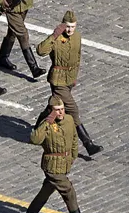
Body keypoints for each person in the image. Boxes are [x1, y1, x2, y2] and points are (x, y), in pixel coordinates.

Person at [22, 98, 96, 213]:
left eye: (62, 109)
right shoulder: (47, 124)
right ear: (51, 111)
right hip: (52, 167)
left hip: (65, 164)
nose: (61, 112)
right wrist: (47, 122)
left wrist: (72, 157)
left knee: (47, 190)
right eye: (57, 110)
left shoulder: (69, 120)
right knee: (69, 192)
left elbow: (74, 140)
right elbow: (34, 139)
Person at [35, 11, 101, 156]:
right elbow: (40, 51)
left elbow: (77, 57)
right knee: (73, 110)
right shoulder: (57, 38)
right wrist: (54, 35)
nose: (70, 30)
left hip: (69, 79)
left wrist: (73, 78)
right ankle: (88, 144)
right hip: (58, 81)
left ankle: (37, 130)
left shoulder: (77, 36)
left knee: (53, 106)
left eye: (73, 26)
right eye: (68, 26)